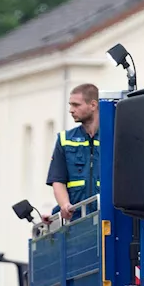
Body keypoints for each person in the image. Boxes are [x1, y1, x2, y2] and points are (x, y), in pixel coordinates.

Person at [46, 83, 100, 221]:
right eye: (70, 105)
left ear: (93, 105)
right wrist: (64, 205)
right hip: (76, 219)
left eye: (76, 105)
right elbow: (57, 180)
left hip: (107, 216)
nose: (71, 110)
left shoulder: (112, 136)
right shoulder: (65, 139)